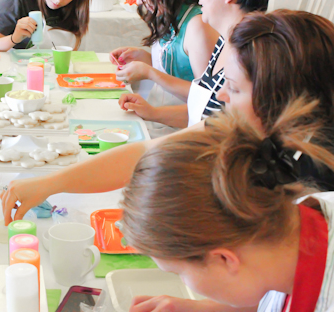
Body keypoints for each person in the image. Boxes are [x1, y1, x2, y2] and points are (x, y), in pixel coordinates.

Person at [1, 9, 334, 223]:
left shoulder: (316, 188)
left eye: (233, 87)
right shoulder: (250, 122)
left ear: (281, 98)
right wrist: (49, 183)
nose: (220, 96)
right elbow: (149, 151)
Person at [122, 99, 334, 311]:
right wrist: (200, 308)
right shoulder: (288, 228)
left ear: (224, 258)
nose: (183, 281)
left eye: (179, 273)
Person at [117, 0, 272, 129]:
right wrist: (152, 113)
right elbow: (203, 114)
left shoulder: (250, 56)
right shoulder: (225, 42)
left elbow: (214, 125)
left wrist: (151, 76)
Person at [110, 0, 219, 136]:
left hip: (183, 131)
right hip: (163, 120)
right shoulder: (168, 13)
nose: (138, 0)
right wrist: (145, 58)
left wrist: (150, 73)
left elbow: (206, 102)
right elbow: (180, 70)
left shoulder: (197, 26)